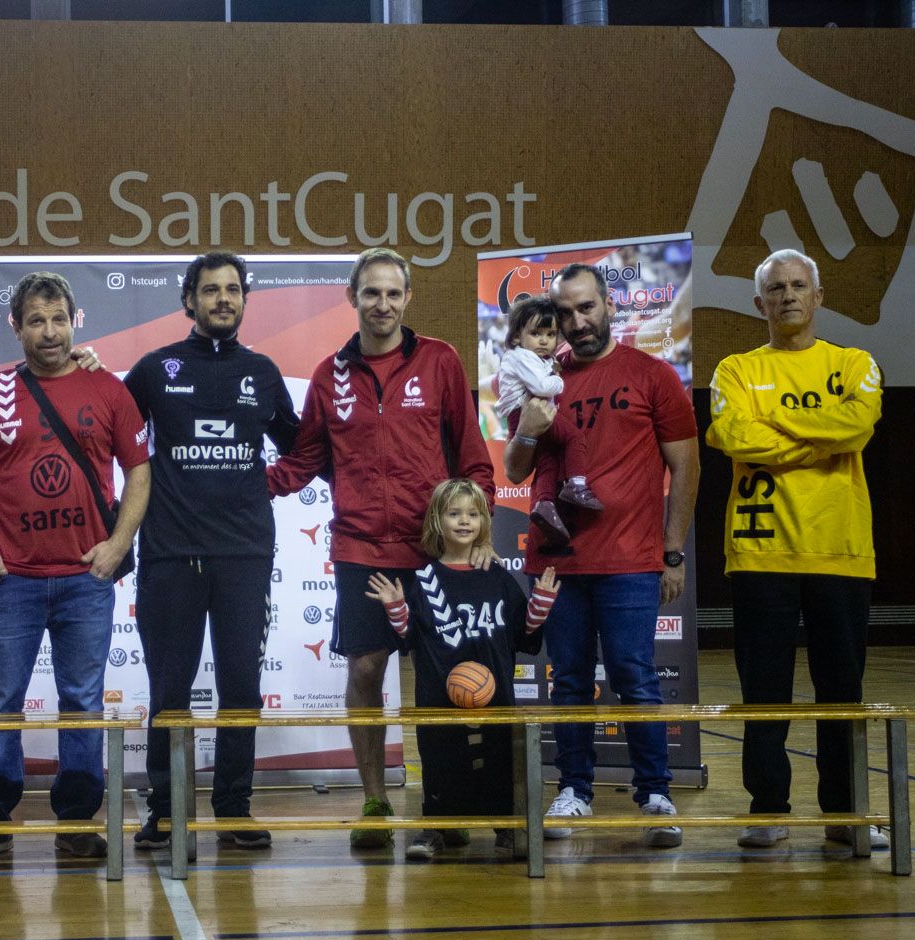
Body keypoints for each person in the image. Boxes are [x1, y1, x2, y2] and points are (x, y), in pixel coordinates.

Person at [267, 247, 496, 848]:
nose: (383, 304)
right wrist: (239, 488)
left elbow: (472, 457)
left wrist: (478, 534)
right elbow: (304, 460)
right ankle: (374, 801)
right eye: (372, 292)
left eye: (394, 293)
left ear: (408, 298)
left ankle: (446, 805)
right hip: (362, 549)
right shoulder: (330, 375)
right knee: (366, 669)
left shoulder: (440, 361)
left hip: (433, 551)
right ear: (353, 297)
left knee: (444, 681)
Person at [0, 272, 150, 861]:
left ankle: (77, 821)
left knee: (83, 703)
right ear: (15, 327)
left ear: (74, 321)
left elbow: (139, 473)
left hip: (85, 580)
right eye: (36, 321)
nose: (49, 332)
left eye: (58, 319)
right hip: (9, 579)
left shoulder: (108, 388)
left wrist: (117, 545)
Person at [504, 262, 699, 848]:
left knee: (634, 676)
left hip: (630, 560)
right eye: (565, 312)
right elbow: (515, 469)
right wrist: (529, 428)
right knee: (566, 681)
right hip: (557, 562)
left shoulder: (652, 374)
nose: (577, 321)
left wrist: (672, 551)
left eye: (586, 307)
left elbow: (685, 466)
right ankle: (574, 790)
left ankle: (655, 792)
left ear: (610, 305)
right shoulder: (540, 376)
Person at [705, 248, 886, 851]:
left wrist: (777, 430)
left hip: (840, 550)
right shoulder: (735, 370)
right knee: (764, 691)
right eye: (777, 288)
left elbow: (858, 426)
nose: (788, 295)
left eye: (799, 285)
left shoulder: (854, 362)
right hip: (761, 554)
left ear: (818, 296)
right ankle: (767, 808)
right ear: (760, 303)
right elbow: (734, 435)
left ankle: (846, 813)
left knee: (842, 692)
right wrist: (822, 443)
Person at [123, 251, 300, 852]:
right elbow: (106, 431)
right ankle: (167, 811)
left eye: (232, 289)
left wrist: (272, 482)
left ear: (245, 299)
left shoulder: (263, 372)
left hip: (244, 555)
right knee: (169, 691)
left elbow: (303, 447)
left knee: (241, 688)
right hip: (171, 554)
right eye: (210, 290)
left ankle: (234, 809)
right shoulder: (155, 369)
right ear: (189, 300)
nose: (223, 299)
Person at [367, 479, 558, 860]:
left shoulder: (497, 577)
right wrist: (396, 607)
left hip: (495, 694)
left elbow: (523, 634)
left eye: (472, 514)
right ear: (437, 521)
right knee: (441, 760)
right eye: (454, 513)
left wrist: (541, 604)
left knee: (500, 760)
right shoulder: (424, 580)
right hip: (439, 695)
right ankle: (435, 827)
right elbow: (410, 637)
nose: (464, 521)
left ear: (484, 521)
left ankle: (507, 827)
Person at [493, 295, 601, 545]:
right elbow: (543, 387)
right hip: (529, 411)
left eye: (550, 334)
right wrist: (558, 380)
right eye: (536, 334)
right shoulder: (522, 356)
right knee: (574, 437)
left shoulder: (534, 357)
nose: (544, 340)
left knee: (548, 458)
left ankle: (544, 504)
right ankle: (577, 485)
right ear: (517, 336)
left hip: (524, 412)